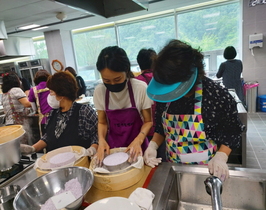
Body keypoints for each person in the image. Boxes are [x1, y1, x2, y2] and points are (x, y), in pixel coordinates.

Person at [143, 40, 245, 182]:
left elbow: (232, 131)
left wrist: (221, 156)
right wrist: (153, 146)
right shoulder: (164, 96)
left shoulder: (216, 95)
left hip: (207, 170)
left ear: (189, 78)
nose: (170, 92)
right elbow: (161, 129)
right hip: (173, 168)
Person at [93, 46, 153, 164]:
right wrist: (101, 140)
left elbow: (148, 121)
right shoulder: (100, 91)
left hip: (138, 146)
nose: (112, 84)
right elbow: (102, 122)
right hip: (113, 148)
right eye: (107, 81)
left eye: (117, 79)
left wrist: (138, 140)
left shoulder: (140, 88)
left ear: (126, 70)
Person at [20, 71, 98, 155]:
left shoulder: (84, 111)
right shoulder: (53, 113)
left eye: (51, 92)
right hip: (56, 163)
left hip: (78, 163)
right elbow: (48, 137)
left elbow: (97, 135)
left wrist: (91, 150)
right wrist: (33, 148)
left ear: (62, 94)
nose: (49, 95)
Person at [135, 48, 166, 161]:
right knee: (162, 161)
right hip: (163, 130)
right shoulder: (163, 79)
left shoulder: (135, 83)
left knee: (147, 162)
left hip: (143, 132)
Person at [1, 72, 32, 144]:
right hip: (19, 122)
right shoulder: (16, 90)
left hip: (9, 123)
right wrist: (37, 100)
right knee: (24, 142)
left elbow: (6, 111)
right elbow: (27, 104)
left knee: (16, 144)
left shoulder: (4, 94)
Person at [28, 69, 52, 135]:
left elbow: (34, 108)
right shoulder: (53, 86)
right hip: (56, 118)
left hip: (43, 120)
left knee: (47, 141)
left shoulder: (33, 90)